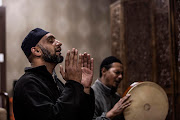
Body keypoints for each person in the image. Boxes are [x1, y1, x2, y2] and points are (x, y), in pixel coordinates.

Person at [13, 28, 95, 120]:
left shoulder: (56, 82)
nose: (59, 43)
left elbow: (82, 117)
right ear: (37, 51)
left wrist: (84, 88)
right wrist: (72, 84)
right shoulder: (27, 84)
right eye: (51, 41)